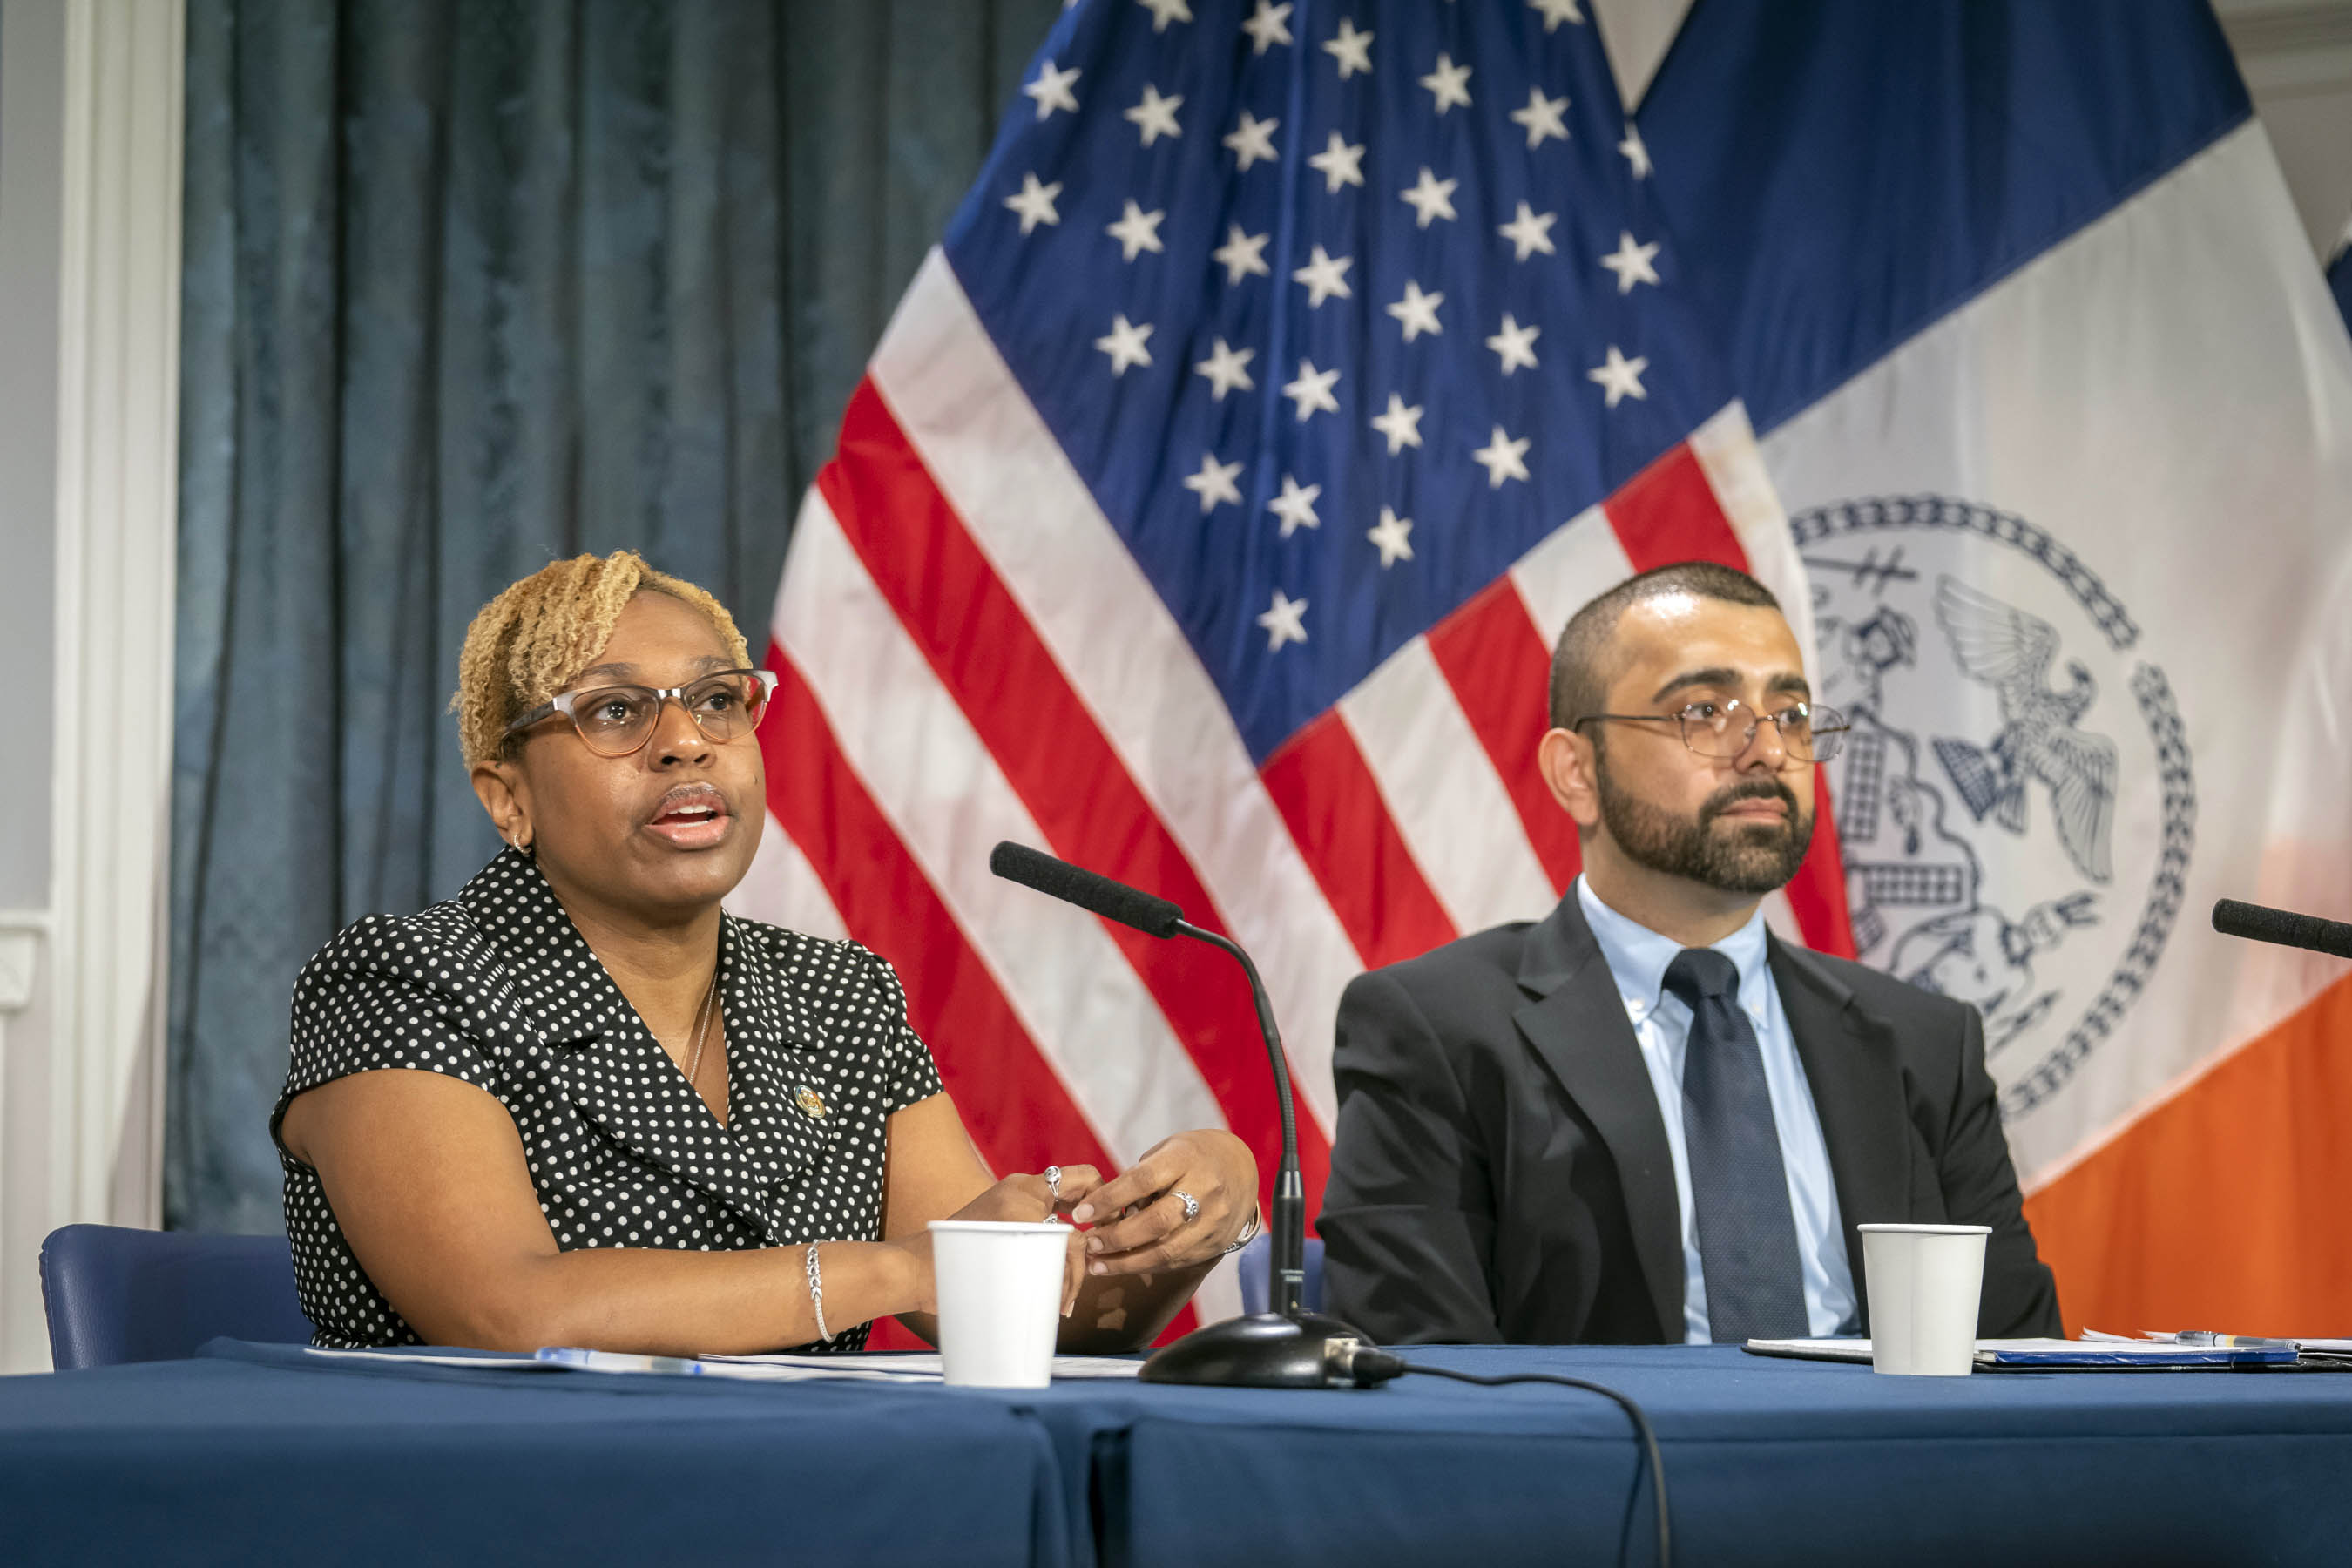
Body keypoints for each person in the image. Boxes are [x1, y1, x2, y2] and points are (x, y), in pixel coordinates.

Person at [274, 550, 1259, 1354]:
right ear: (508, 798)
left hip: (809, 1504)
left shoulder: (838, 994)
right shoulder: (404, 980)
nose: (686, 743)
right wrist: (902, 1267)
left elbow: (1036, 1330)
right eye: (616, 711)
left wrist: (1189, 1222)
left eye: (717, 700)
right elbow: (511, 1314)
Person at [1318, 562, 2061, 1346]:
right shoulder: (1437, 1031)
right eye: (1705, 710)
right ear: (1577, 772)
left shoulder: (1924, 1044)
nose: (1766, 751)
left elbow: (2015, 1356)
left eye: (1793, 714)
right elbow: (1431, 1374)